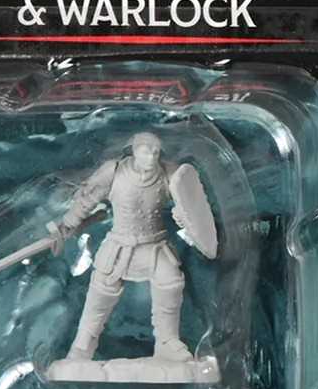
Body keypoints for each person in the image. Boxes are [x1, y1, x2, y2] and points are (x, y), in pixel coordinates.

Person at [51, 131, 214, 362]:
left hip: (154, 246)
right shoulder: (115, 172)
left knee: (171, 283)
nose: (152, 157)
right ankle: (82, 345)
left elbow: (188, 203)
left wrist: (183, 217)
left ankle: (168, 343)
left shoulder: (168, 174)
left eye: (156, 152)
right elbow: (88, 198)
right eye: (147, 152)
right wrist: (69, 222)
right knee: (101, 291)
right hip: (119, 246)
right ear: (135, 151)